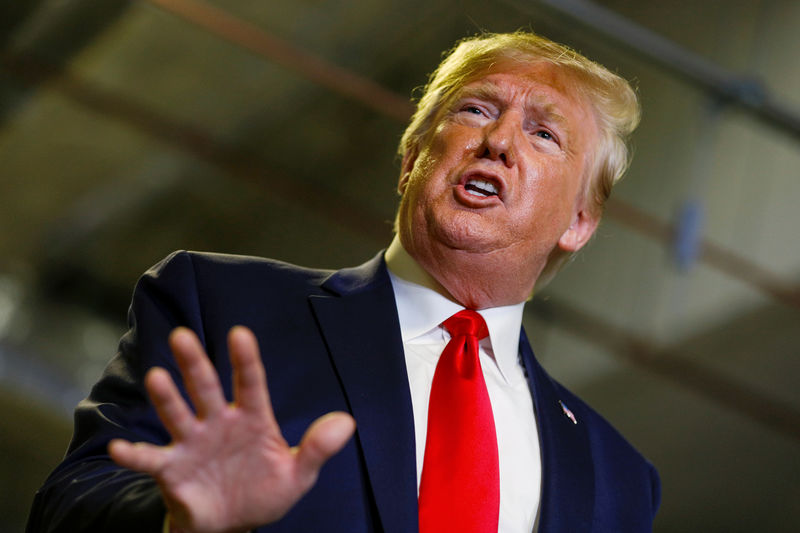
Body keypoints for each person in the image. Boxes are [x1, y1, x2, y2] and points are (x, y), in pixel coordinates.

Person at [27, 31, 660, 533]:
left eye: (543, 133)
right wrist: (179, 523)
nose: (498, 140)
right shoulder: (218, 303)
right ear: (414, 157)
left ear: (578, 222)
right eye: (476, 109)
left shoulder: (618, 477)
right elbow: (68, 509)